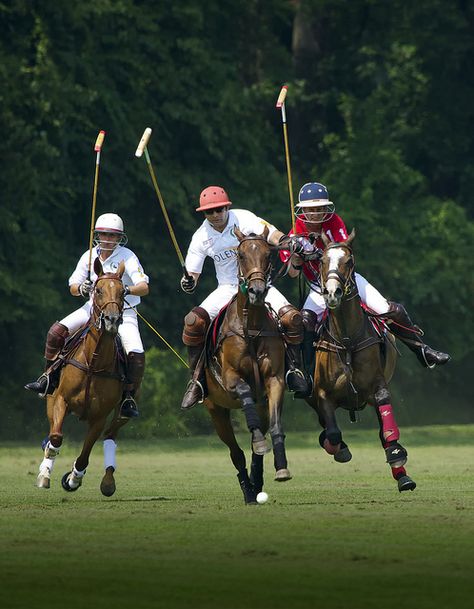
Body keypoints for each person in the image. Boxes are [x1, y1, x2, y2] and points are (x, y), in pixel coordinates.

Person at [281, 181, 451, 371]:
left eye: (320, 208)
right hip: (318, 289)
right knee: (303, 323)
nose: (316, 213)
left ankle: (422, 351)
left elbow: (343, 252)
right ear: (302, 211)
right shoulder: (293, 235)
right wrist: (297, 256)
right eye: (310, 209)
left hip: (348, 282)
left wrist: (317, 252)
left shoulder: (334, 221)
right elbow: (293, 274)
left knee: (391, 310)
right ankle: (305, 374)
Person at [180, 185, 311, 410]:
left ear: (227, 207)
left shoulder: (244, 218)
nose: (215, 215)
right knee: (193, 323)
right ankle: (197, 380)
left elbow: (272, 234)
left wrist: (290, 242)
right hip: (226, 288)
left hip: (260, 284)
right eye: (209, 212)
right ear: (204, 214)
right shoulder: (201, 236)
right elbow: (192, 273)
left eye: (219, 209)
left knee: (292, 319)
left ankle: (294, 370)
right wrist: (188, 282)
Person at [25, 213, 149, 418]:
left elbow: (144, 287)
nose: (107, 239)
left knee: (136, 352)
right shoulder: (89, 256)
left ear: (119, 238)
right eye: (103, 234)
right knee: (56, 332)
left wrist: (126, 290)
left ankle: (128, 396)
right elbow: (72, 286)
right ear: (97, 235)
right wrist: (82, 288)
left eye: (112, 235)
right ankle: (48, 378)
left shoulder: (128, 256)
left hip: (123, 313)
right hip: (91, 310)